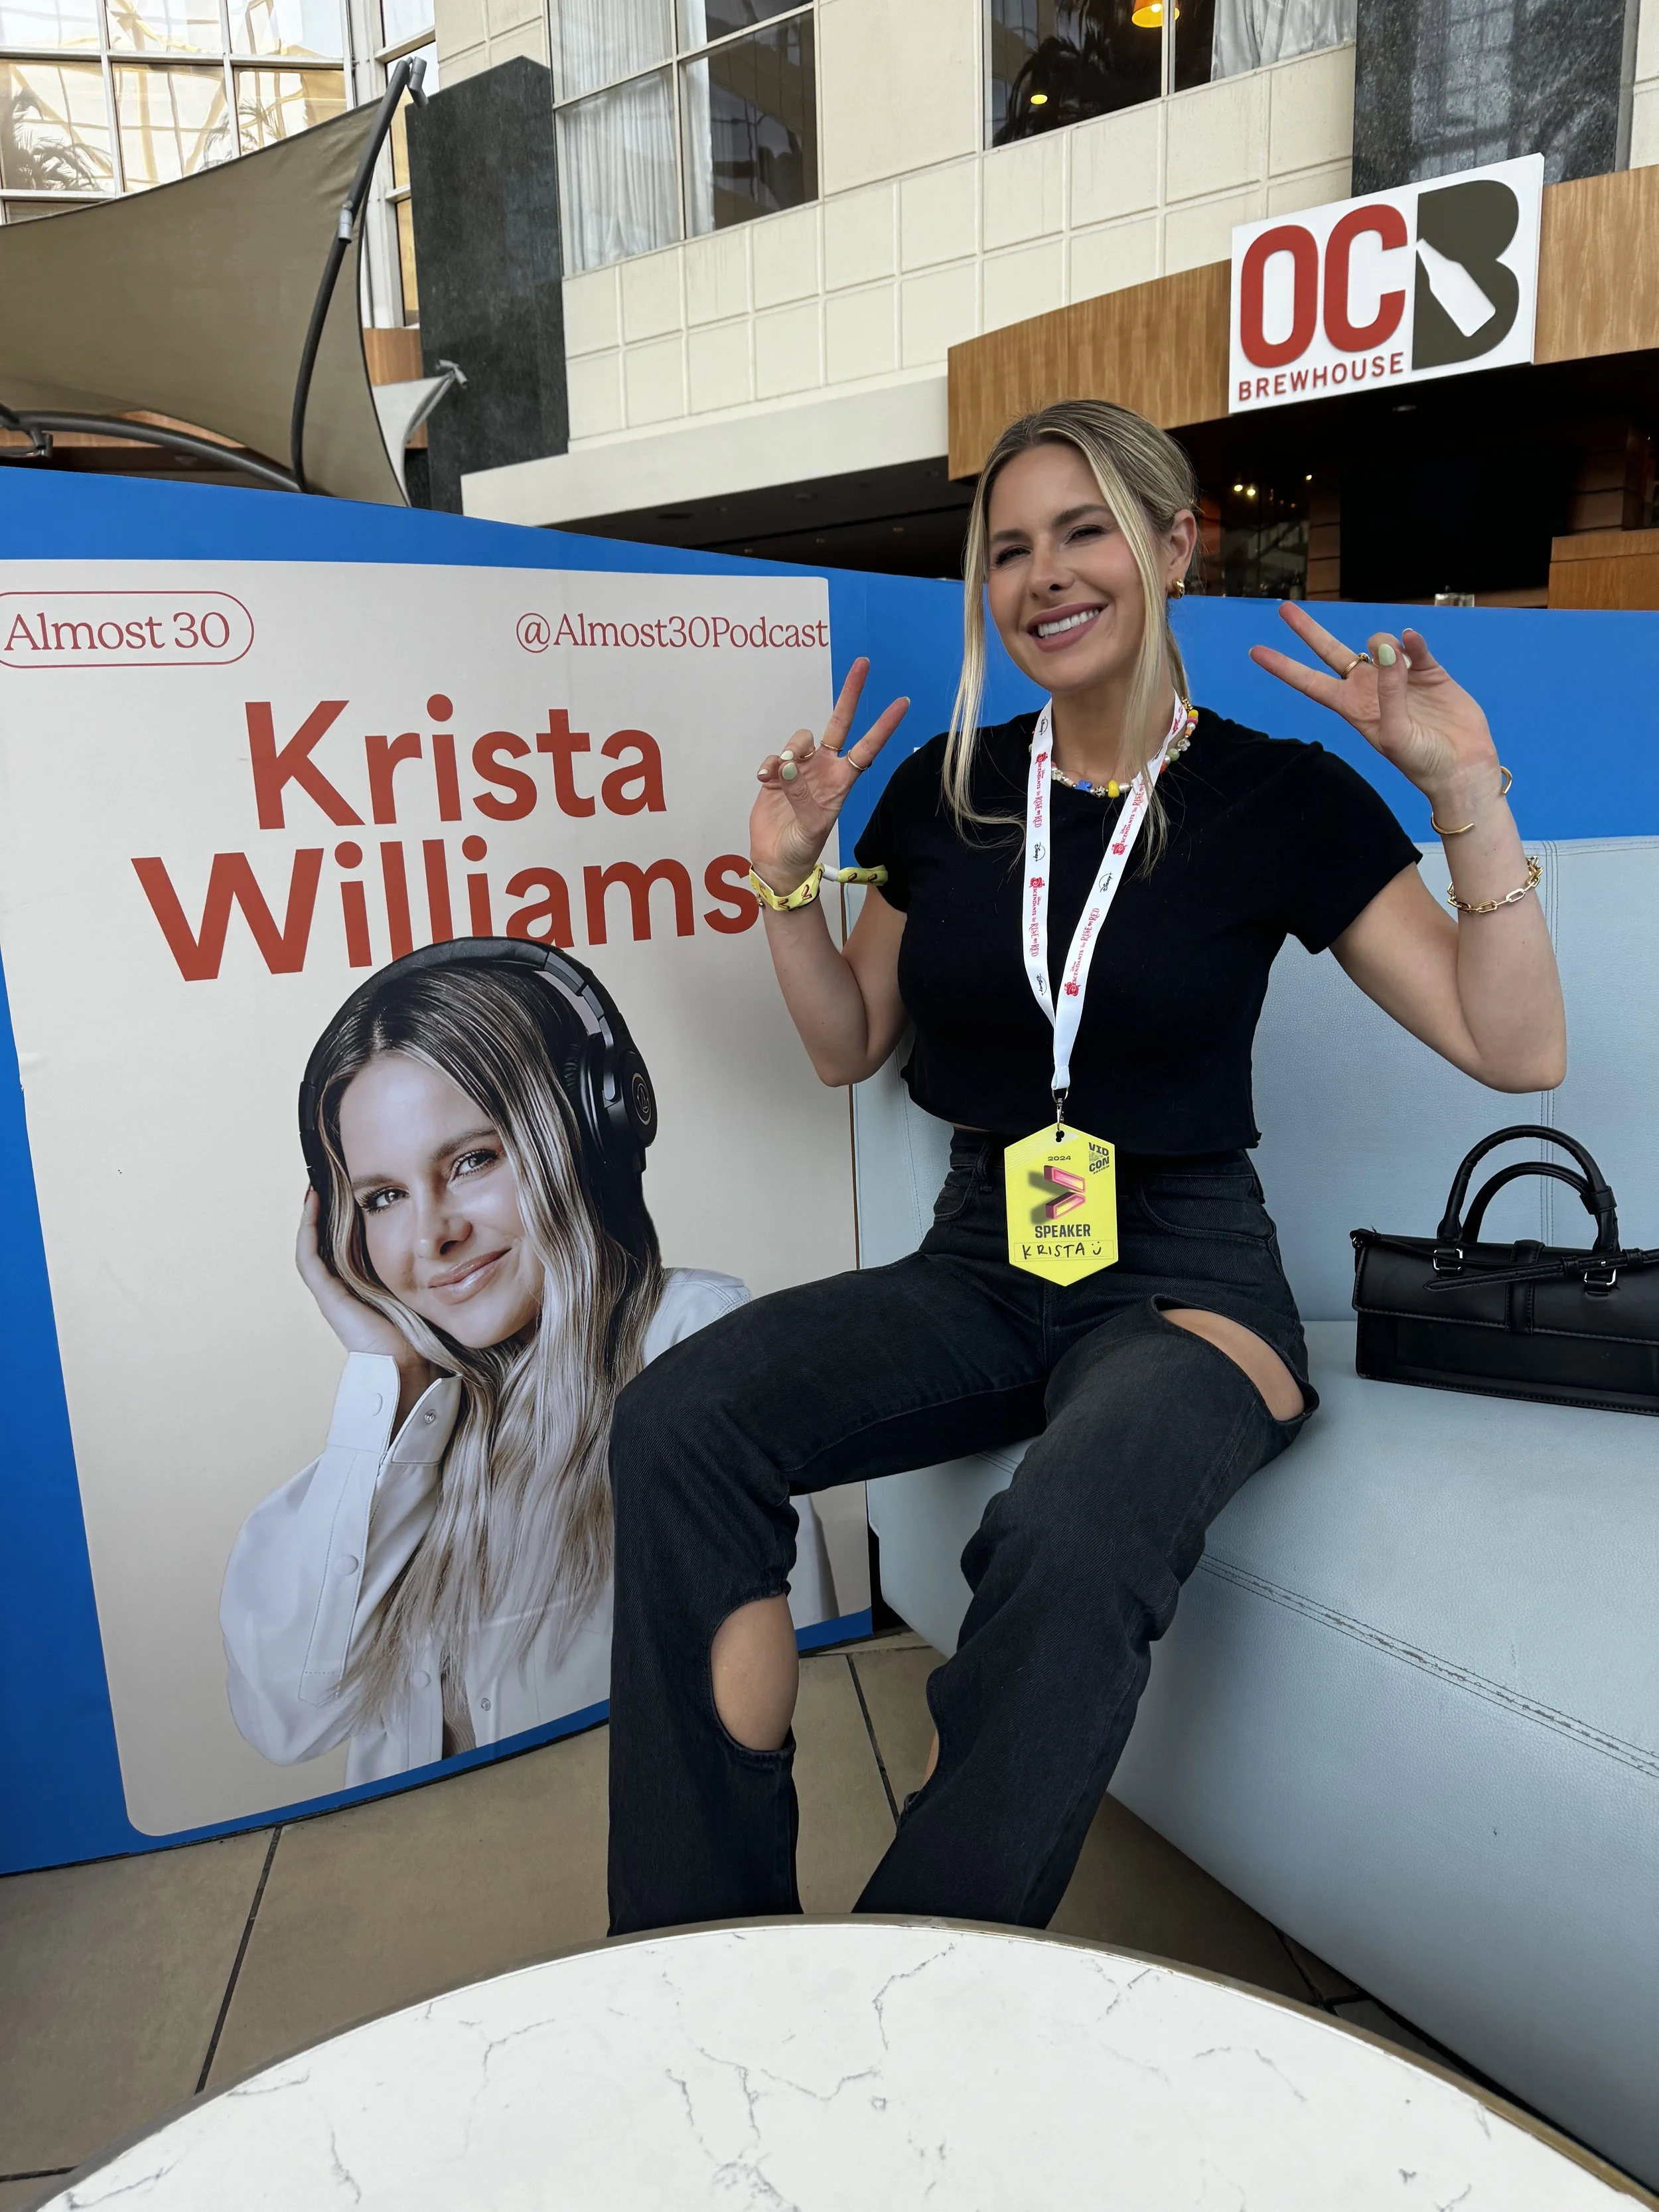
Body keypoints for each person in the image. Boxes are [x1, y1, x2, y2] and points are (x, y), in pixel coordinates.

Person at [605, 398, 1565, 1935]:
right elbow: (851, 1038)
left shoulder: (1281, 798)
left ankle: (918, 2002)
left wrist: (1461, 789)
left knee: (1068, 1522)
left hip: (1187, 1280)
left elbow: (1510, 1046)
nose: (1044, 574)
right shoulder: (945, 791)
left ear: (1175, 544)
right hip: (983, 1254)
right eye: (1007, 550)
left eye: (1083, 530)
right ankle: (690, 1959)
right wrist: (785, 890)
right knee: (678, 1417)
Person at [220, 942, 835, 1784]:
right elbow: (287, 1717)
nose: (432, 1234)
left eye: (472, 1160)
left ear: (586, 1133)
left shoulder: (697, 1348)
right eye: (383, 1199)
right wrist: (389, 1387)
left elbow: (794, 1731)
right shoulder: (406, 1419)